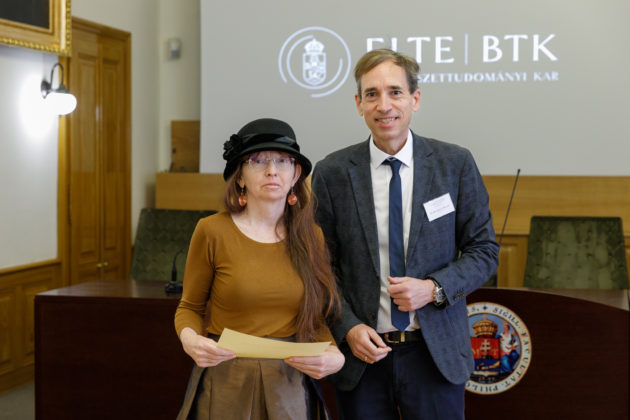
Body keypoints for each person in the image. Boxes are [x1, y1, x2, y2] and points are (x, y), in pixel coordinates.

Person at [311, 49, 499, 419]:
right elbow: (320, 268)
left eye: (395, 92)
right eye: (372, 94)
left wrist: (433, 288)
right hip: (363, 357)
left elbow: (484, 251)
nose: (384, 105)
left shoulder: (454, 164)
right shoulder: (333, 173)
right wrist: (347, 328)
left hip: (434, 354)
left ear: (415, 99)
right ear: (358, 103)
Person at [174, 118, 344, 419]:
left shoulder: (311, 236)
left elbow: (314, 318)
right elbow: (189, 307)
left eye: (283, 161)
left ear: (295, 175)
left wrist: (334, 354)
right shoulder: (211, 231)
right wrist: (190, 340)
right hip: (226, 379)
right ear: (239, 176)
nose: (272, 170)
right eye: (258, 160)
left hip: (289, 382)